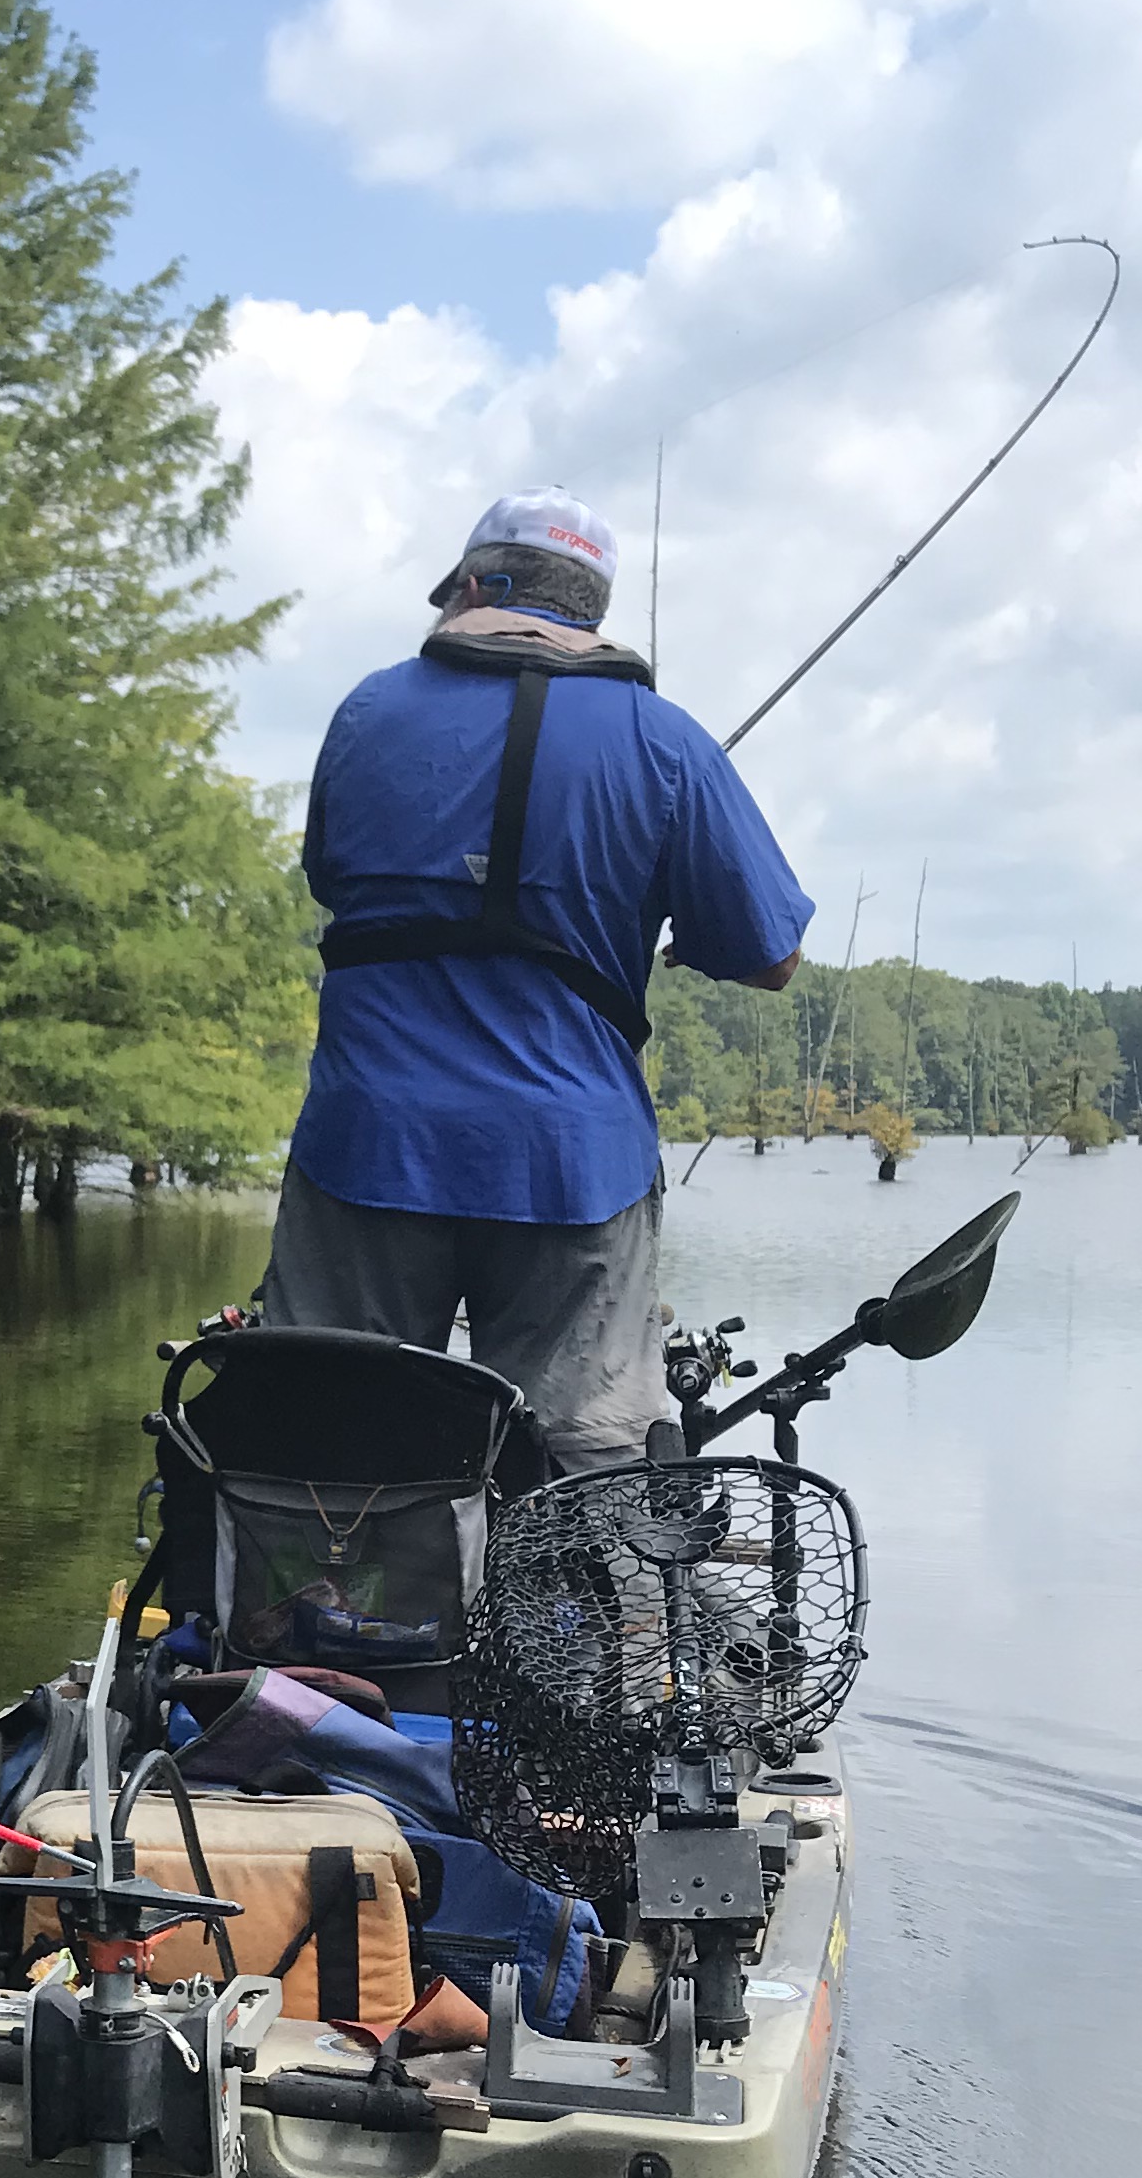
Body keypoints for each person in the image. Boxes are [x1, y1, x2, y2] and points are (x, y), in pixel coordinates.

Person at [266, 487, 811, 1465]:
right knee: (586, 1464)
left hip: (369, 1146)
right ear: (588, 610)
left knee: (330, 1443)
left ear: (474, 586)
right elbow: (770, 954)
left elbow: (334, 878)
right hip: (574, 1160)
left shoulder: (365, 712)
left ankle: (326, 1614)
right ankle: (585, 1616)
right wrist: (679, 932)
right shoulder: (665, 741)